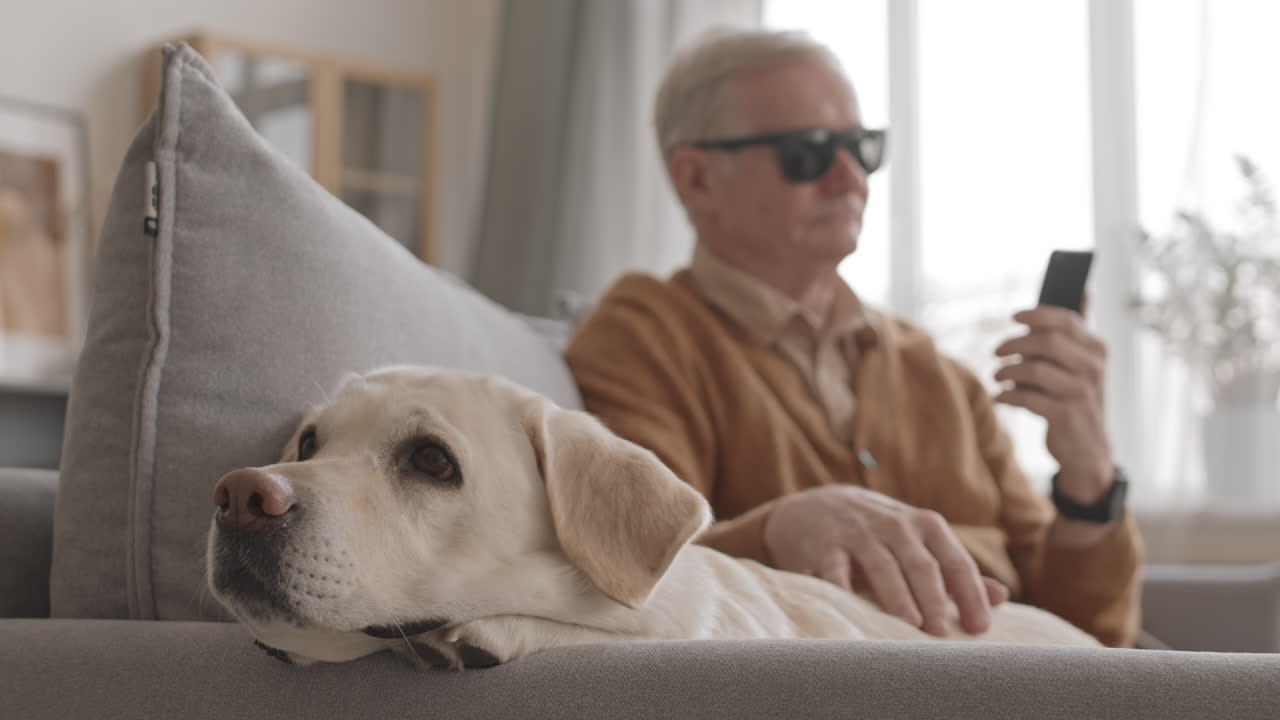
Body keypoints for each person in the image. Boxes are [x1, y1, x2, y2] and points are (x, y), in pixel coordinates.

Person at [564, 28, 1141, 647]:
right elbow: (634, 567)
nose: (850, 178)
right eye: (809, 153)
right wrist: (781, 527)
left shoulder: (939, 376)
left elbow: (1090, 634)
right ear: (698, 179)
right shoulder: (644, 336)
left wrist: (1087, 476)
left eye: (862, 146)